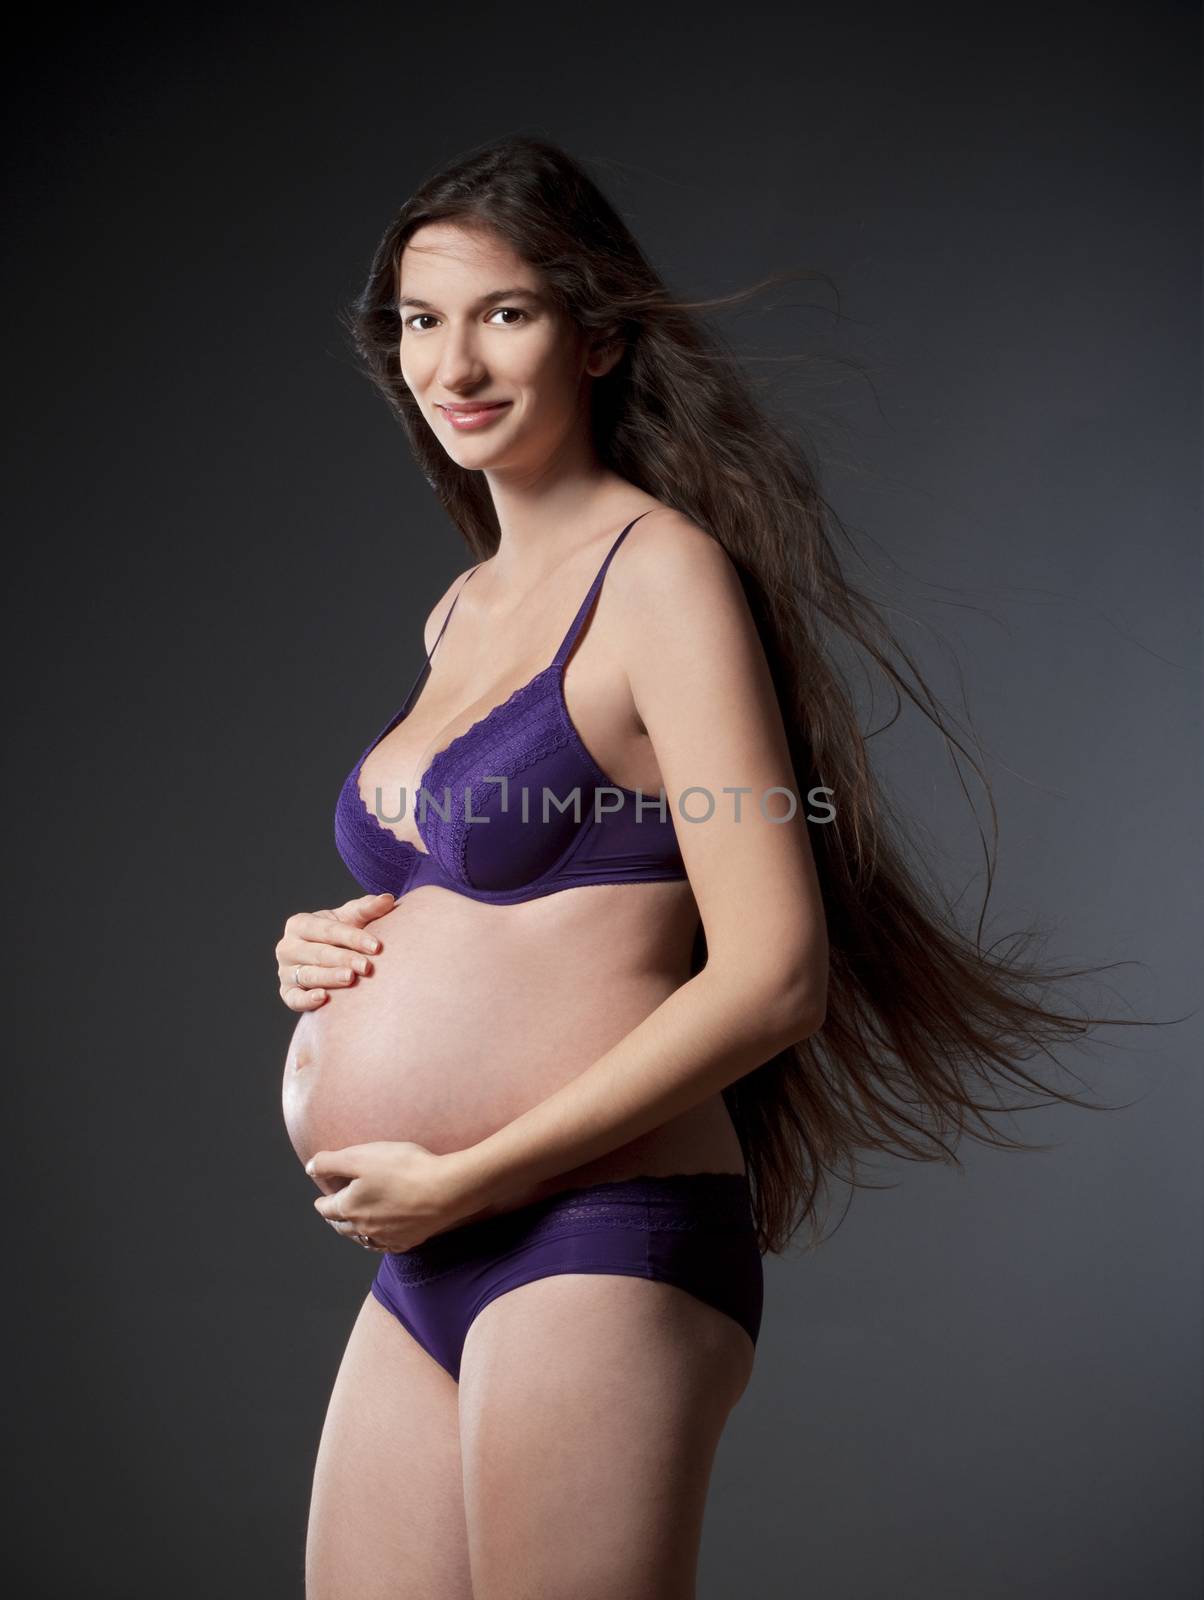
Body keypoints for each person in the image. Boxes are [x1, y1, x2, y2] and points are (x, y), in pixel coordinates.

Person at [274, 137, 1130, 1600]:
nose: (455, 362)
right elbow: (484, 901)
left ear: (597, 335)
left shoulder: (660, 574)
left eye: (507, 313)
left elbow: (775, 974)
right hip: (428, 1248)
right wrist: (333, 949)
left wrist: (465, 1172)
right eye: (423, 320)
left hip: (591, 1237)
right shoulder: (461, 609)